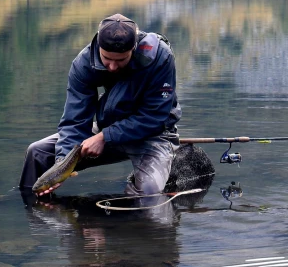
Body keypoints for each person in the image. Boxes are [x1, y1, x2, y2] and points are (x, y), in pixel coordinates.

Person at [18, 13, 181, 196]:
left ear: (133, 48)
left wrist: (104, 137)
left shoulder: (160, 57)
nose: (112, 66)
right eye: (106, 59)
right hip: (106, 130)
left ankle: (129, 223)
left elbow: (154, 117)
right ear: (98, 47)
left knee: (148, 194)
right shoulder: (83, 64)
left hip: (153, 135)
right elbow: (75, 121)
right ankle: (34, 207)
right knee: (37, 153)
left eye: (120, 60)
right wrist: (62, 165)